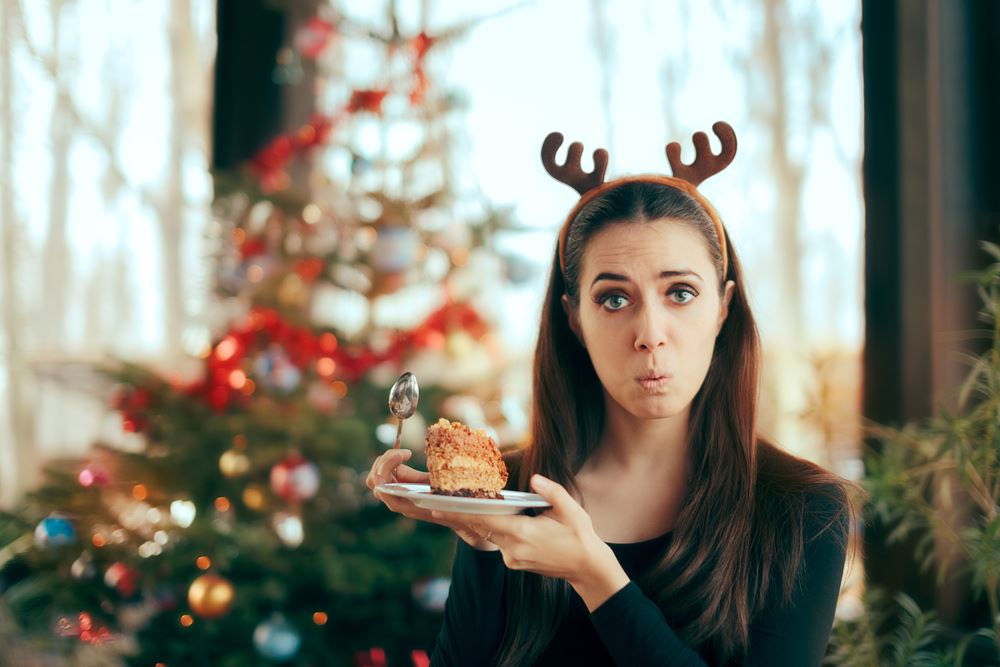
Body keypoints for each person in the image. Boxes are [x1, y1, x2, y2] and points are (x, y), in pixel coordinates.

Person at [366, 123, 854, 666]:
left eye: (681, 293)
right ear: (574, 318)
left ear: (723, 308)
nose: (650, 333)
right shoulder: (509, 497)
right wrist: (481, 541)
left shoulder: (804, 511)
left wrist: (595, 575)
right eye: (614, 300)